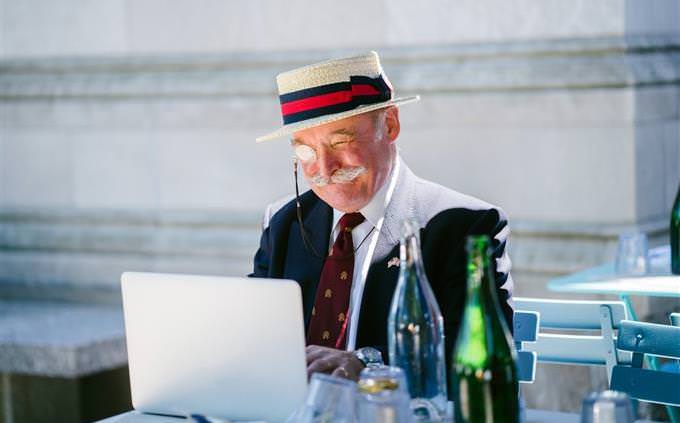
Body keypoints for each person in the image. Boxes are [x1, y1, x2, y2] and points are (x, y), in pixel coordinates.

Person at [250, 51, 513, 382]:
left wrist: (368, 365)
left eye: (340, 141)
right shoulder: (284, 223)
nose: (324, 168)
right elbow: (253, 335)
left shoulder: (466, 226)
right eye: (305, 151)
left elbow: (479, 360)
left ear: (390, 124)